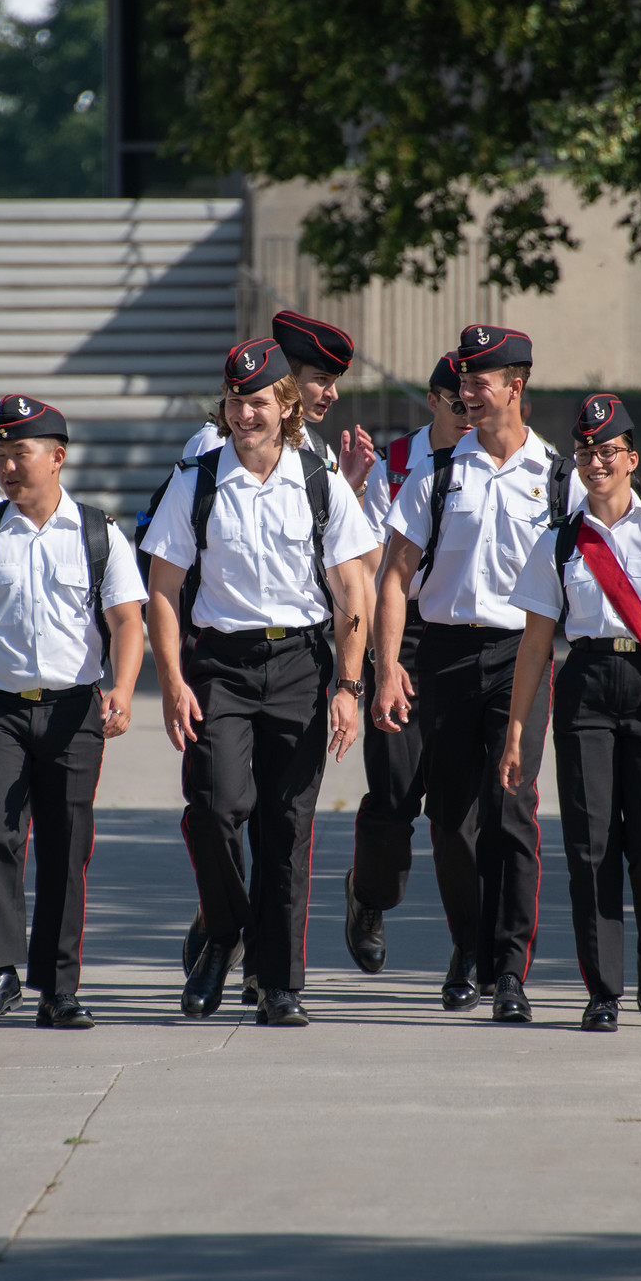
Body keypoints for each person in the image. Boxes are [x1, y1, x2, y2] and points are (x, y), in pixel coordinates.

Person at [143, 337, 378, 1026]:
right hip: (220, 665)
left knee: (288, 827)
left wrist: (348, 687)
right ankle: (223, 930)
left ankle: (280, 984)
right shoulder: (199, 479)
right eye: (234, 402)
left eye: (257, 402)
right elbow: (163, 586)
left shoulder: (319, 480)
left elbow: (354, 588)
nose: (244, 414)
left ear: (285, 405)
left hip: (301, 667)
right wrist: (173, 677)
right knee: (215, 806)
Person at [499, 394, 641, 1031]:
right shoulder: (560, 542)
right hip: (588, 688)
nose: (595, 463)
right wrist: (517, 732)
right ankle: (603, 989)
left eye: (606, 453)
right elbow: (537, 644)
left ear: (632, 458)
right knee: (590, 847)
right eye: (585, 453)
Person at [0, 396, 146, 1029]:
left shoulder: (98, 533)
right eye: (1, 454)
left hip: (75, 710)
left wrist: (124, 690)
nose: (6, 466)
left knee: (65, 845)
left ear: (57, 457)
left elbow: (126, 621)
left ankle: (59, 988)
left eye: (18, 453)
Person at [371, 324, 567, 1021]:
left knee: (512, 811)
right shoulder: (439, 471)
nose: (466, 395)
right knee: (450, 821)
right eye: (462, 384)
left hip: (523, 655)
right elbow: (393, 578)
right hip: (447, 655)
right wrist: (389, 665)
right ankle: (469, 947)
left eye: (479, 383)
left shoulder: (557, 477)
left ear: (515, 387)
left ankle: (509, 970)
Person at [341, 353, 472, 974]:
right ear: (433, 401)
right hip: (403, 631)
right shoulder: (394, 465)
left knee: (459, 811)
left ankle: (470, 945)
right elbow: (368, 571)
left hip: (469, 639)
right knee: (395, 794)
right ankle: (369, 897)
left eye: (478, 399)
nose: (470, 413)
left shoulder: (506, 463)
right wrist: (380, 660)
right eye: (457, 402)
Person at [179, 310, 379, 499]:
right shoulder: (217, 441)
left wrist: (354, 487)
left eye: (334, 381)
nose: (333, 394)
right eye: (321, 379)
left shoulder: (319, 451)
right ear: (287, 378)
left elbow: (343, 535)